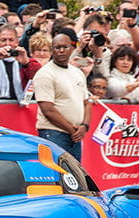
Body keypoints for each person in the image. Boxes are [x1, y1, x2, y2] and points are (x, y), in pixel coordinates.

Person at [34, 31, 91, 162]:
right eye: (57, 47)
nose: (61, 51)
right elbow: (48, 110)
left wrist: (84, 126)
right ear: (51, 50)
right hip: (53, 133)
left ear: (72, 48)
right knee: (56, 175)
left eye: (65, 47)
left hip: (75, 135)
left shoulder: (77, 72)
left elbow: (86, 103)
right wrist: (73, 130)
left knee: (75, 177)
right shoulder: (45, 73)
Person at [0, 24, 41, 101]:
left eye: (11, 40)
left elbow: (39, 80)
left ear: (17, 42)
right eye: (3, 40)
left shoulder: (25, 59)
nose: (7, 44)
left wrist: (26, 63)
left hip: (21, 106)